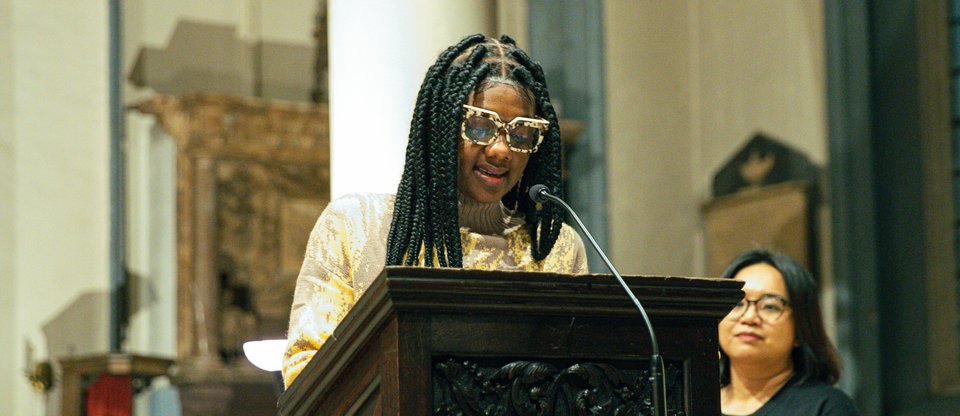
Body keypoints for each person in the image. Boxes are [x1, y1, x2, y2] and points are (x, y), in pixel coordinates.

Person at [281, 34, 588, 388]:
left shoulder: (556, 249)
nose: (502, 150)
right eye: (481, 126)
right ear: (440, 126)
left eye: (521, 133)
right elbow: (307, 370)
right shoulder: (357, 226)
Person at [718, 249, 859, 415]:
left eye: (770, 306)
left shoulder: (828, 407)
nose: (749, 317)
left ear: (801, 326)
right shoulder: (692, 402)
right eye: (737, 304)